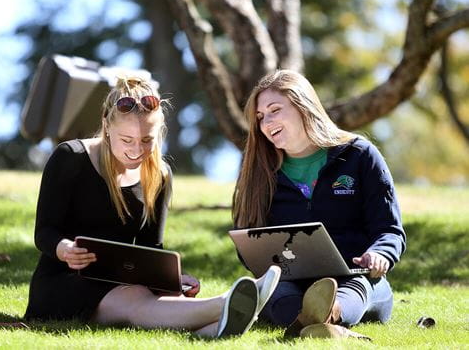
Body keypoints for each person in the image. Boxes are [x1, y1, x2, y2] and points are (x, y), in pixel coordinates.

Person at [24, 75, 280, 338]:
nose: (137, 150)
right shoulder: (71, 158)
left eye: (147, 140)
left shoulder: (160, 175)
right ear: (106, 126)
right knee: (135, 296)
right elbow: (44, 232)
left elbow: (150, 250)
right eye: (127, 140)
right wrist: (64, 249)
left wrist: (172, 278)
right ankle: (229, 303)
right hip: (62, 283)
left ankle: (214, 330)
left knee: (148, 294)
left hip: (120, 282)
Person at [232, 70, 406, 338]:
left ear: (303, 105)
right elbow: (248, 242)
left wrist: (380, 254)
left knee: (356, 288)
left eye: (275, 110)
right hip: (290, 281)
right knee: (271, 293)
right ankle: (326, 328)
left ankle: (330, 312)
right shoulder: (257, 170)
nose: (266, 122)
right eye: (260, 117)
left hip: (355, 276)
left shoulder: (360, 155)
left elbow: (389, 229)